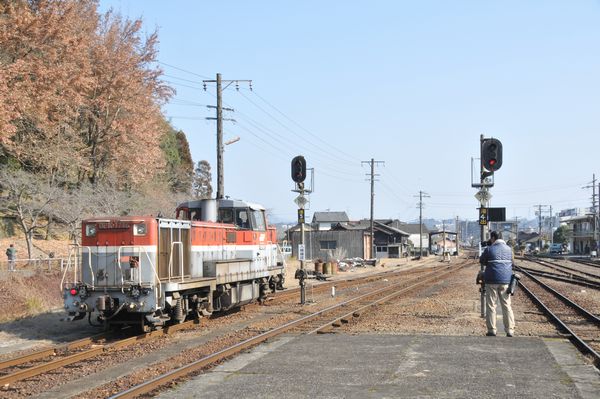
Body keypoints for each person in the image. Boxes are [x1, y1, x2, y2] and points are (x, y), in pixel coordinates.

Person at [479, 231, 515, 337]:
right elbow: (513, 263)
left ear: (493, 238)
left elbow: (482, 261)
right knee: (506, 305)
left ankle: (492, 330)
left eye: (490, 239)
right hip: (506, 281)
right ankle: (510, 330)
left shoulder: (489, 249)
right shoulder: (509, 250)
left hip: (491, 281)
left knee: (491, 305)